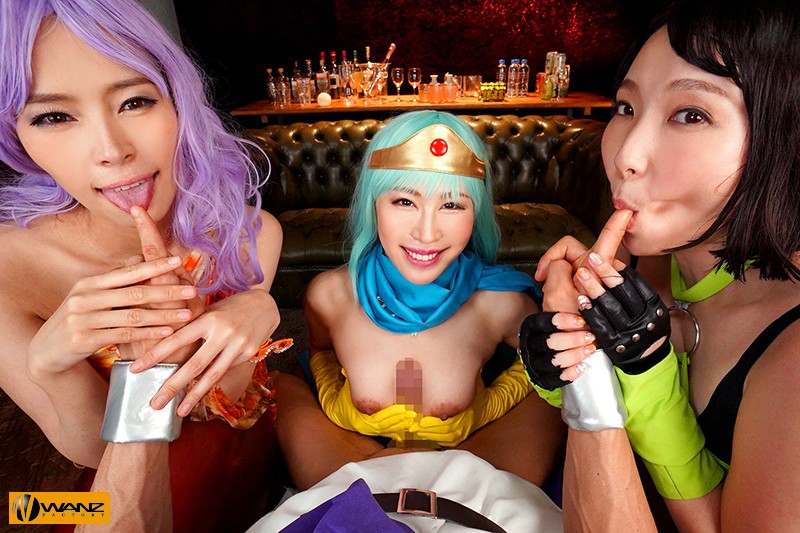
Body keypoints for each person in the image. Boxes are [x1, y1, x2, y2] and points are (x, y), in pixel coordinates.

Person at [0, 0, 284, 529]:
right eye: (54, 116)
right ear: (18, 137)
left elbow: (227, 405)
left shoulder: (250, 232)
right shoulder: (7, 267)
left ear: (179, 105)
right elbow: (89, 451)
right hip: (108, 493)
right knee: (25, 514)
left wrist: (255, 313)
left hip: (255, 459)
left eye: (134, 101)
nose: (111, 150)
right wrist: (52, 369)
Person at [523, 0, 800, 530]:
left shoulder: (792, 350)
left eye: (690, 114)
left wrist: (641, 380)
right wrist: (562, 366)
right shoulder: (641, 264)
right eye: (625, 107)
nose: (626, 154)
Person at [275, 110, 566, 491]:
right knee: (276, 387)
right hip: (347, 452)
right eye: (404, 202)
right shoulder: (328, 295)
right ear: (373, 204)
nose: (426, 233)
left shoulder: (502, 305)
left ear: (476, 211)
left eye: (452, 205)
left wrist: (487, 408)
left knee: (569, 396)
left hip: (473, 460)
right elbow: (319, 352)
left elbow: (546, 365)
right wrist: (333, 403)